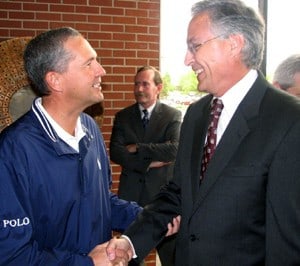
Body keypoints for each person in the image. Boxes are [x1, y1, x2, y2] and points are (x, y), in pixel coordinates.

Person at [106, 0, 300, 265]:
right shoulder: (197, 114)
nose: (187, 59)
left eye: (194, 46)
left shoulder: (288, 118)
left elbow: (287, 237)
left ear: (233, 44)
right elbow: (178, 192)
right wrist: (131, 242)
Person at [0, 27, 144, 266]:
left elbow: (99, 202)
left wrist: (148, 218)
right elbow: (12, 255)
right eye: (89, 64)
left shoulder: (90, 129)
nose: (102, 71)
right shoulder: (13, 151)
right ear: (55, 80)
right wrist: (87, 263)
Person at [109, 66, 182, 265]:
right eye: (136, 84)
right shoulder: (123, 117)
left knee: (171, 257)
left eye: (145, 84)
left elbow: (175, 149)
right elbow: (117, 152)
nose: (139, 89)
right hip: (130, 196)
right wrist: (148, 165)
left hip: (162, 196)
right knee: (129, 257)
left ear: (158, 87)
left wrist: (138, 147)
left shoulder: (172, 115)